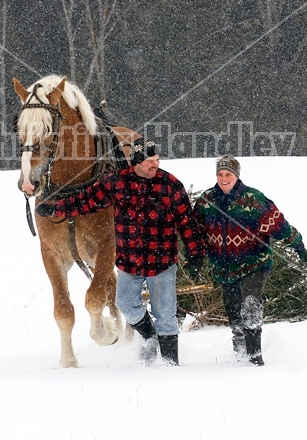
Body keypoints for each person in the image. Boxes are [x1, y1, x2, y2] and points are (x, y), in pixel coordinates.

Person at [36, 138, 205, 367]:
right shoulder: (117, 182)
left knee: (165, 313)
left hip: (161, 260)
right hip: (130, 261)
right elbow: (86, 202)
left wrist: (196, 253)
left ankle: (170, 364)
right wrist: (56, 208)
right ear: (136, 162)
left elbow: (187, 222)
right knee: (125, 303)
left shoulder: (170, 185)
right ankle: (149, 335)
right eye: (148, 161)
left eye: (156, 159)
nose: (154, 165)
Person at [192, 155, 307, 366]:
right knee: (233, 309)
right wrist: (195, 258)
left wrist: (297, 243)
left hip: (254, 263)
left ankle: (255, 358)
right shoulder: (206, 201)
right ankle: (240, 353)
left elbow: (278, 225)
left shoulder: (253, 199)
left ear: (237, 176)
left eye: (228, 174)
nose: (224, 178)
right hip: (225, 266)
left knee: (250, 305)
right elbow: (195, 232)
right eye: (220, 174)